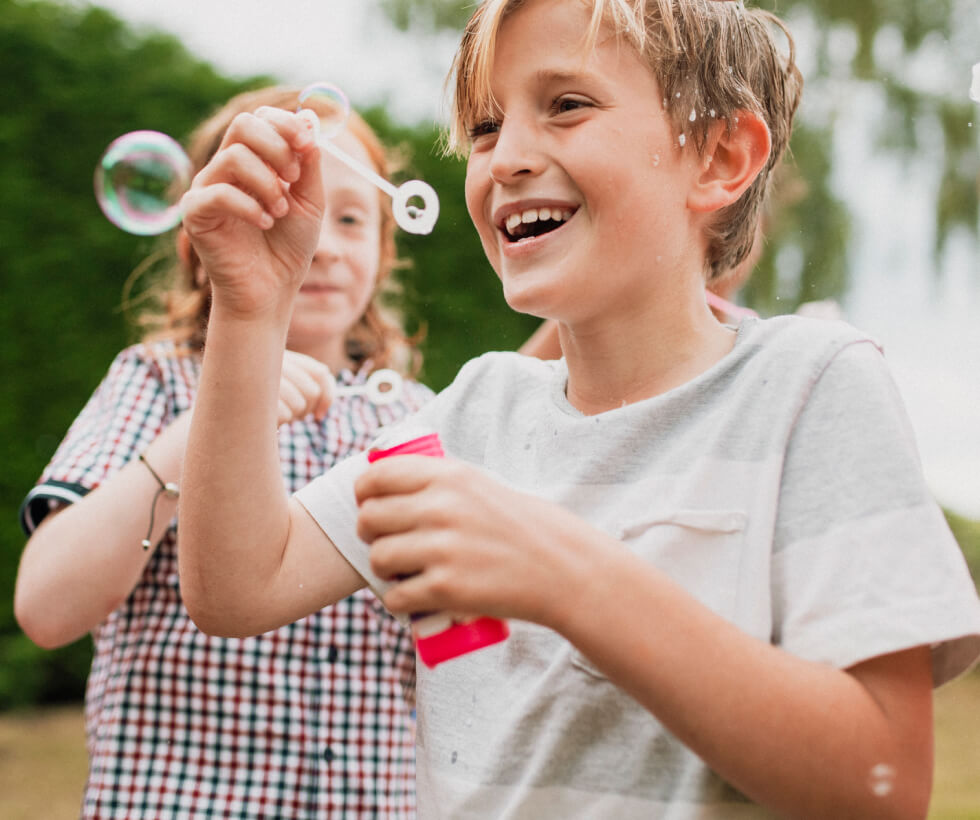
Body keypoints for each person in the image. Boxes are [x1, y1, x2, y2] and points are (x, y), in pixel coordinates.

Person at [176, 1, 980, 817]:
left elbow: (882, 785)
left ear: (720, 157)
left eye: (566, 105)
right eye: (485, 127)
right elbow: (239, 584)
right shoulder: (475, 414)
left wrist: (566, 575)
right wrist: (252, 308)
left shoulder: (809, 386)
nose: (507, 159)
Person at [15, 86, 435, 819]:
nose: (321, 244)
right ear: (203, 242)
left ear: (384, 249)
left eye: (349, 219)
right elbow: (47, 606)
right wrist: (195, 432)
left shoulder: (414, 416)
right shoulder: (160, 381)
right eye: (282, 210)